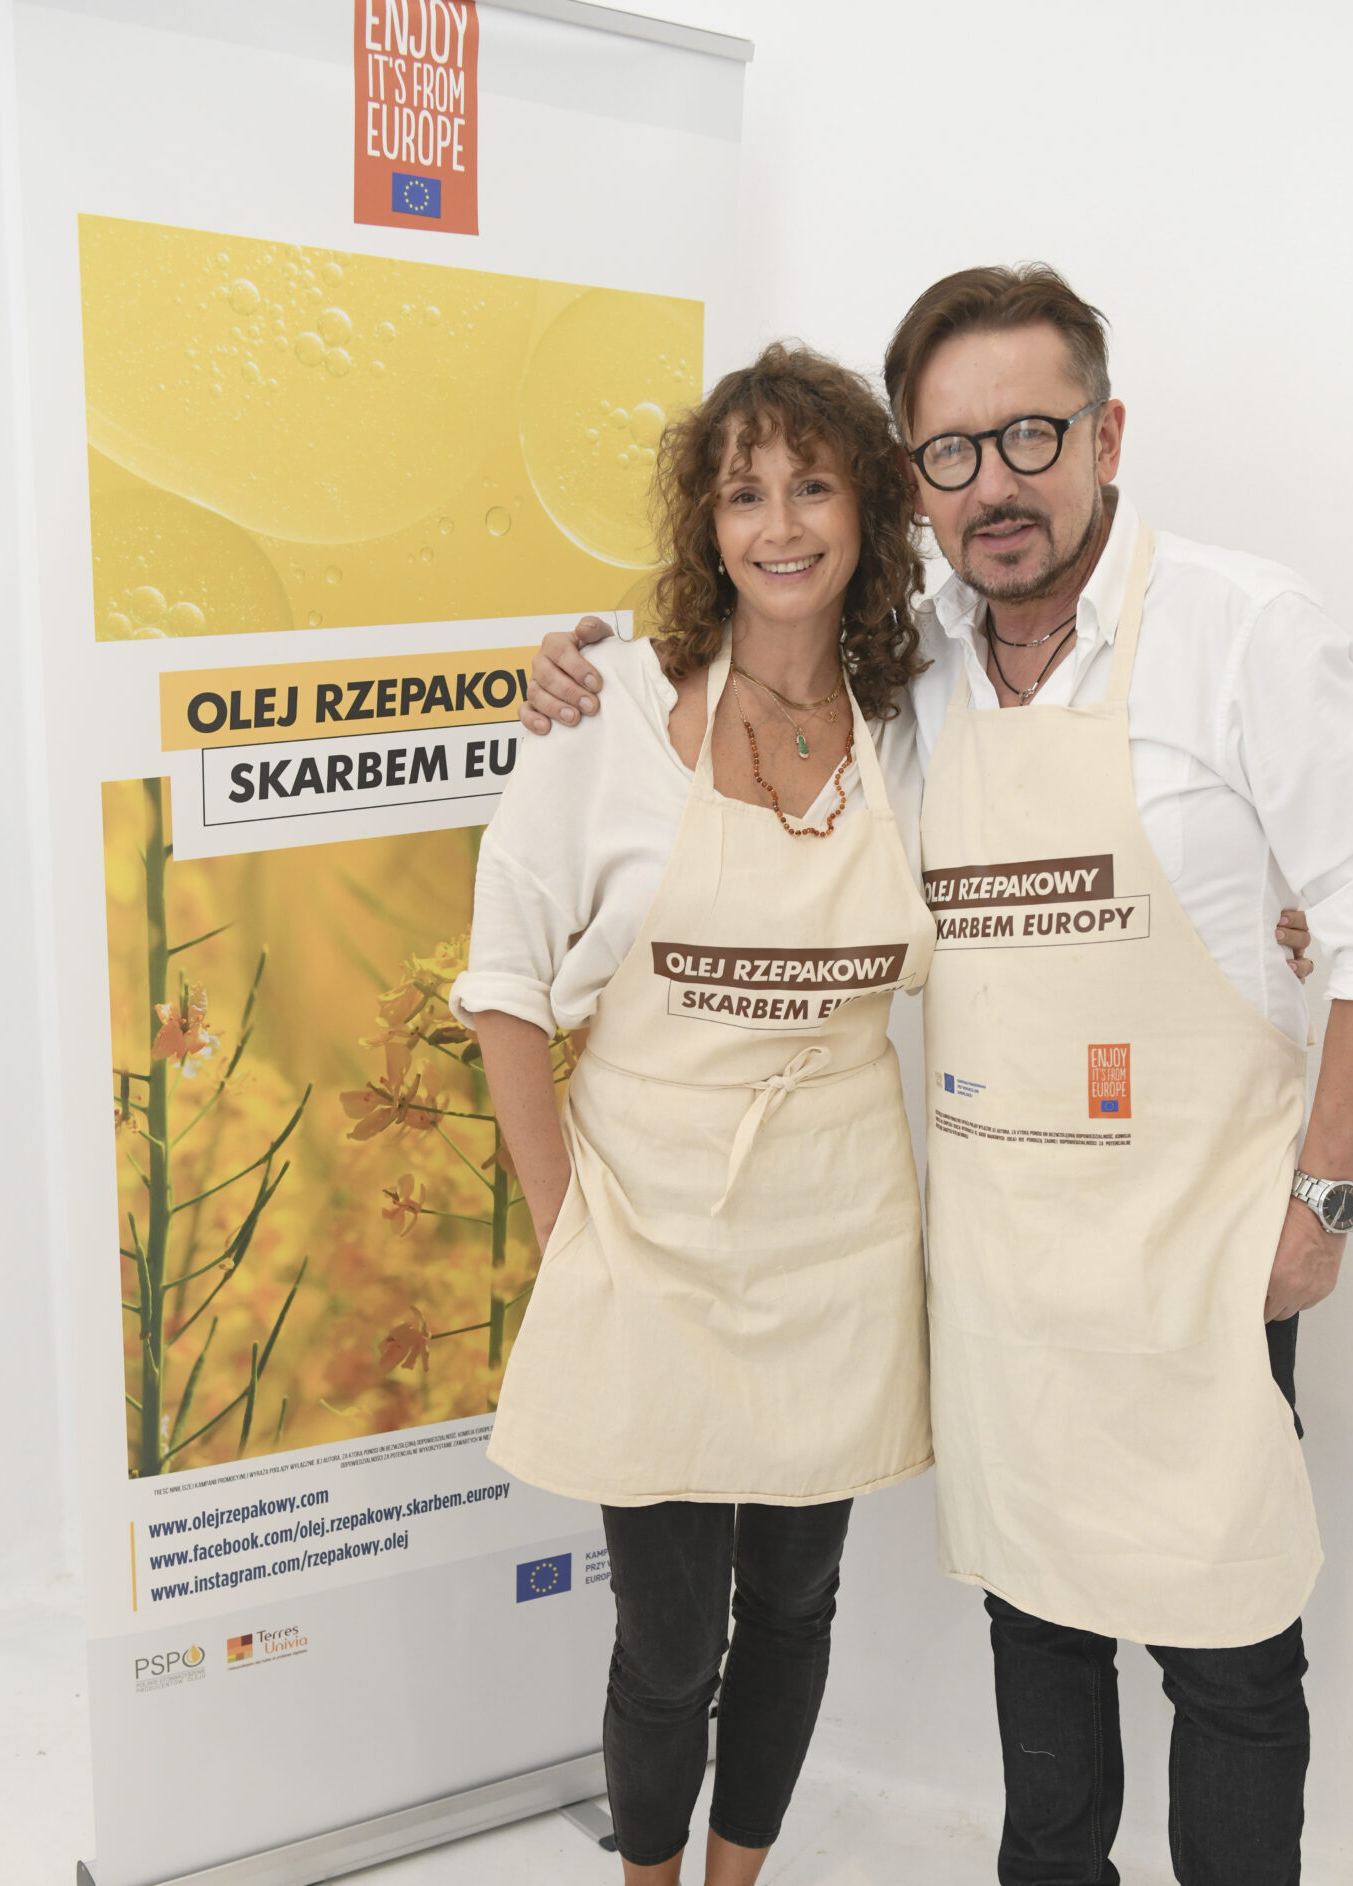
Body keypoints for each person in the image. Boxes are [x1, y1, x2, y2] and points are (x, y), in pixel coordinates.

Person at [519, 266, 1353, 1885]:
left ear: (1106, 431)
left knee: (1228, 1655)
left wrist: (1325, 1201)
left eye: (1030, 434)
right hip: (1006, 1259)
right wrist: (569, 664)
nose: (994, 483)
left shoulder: (1241, 631)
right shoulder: (919, 675)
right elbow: (749, 622)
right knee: (1040, 1636)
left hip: (1204, 1251)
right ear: (918, 483)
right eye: (950, 451)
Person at [449, 344, 939, 1886]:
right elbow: (504, 987)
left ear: (864, 508)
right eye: (744, 494)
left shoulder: (917, 729)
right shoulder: (603, 716)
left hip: (841, 1224)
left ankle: (737, 1878)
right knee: (668, 1638)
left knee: (796, 1602)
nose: (780, 523)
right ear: (704, 526)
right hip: (649, 1225)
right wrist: (567, 1229)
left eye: (812, 484)